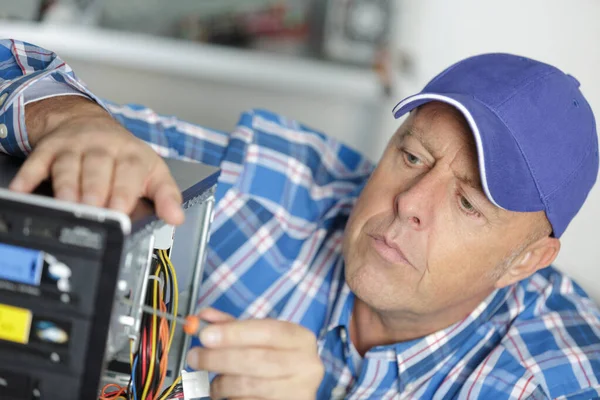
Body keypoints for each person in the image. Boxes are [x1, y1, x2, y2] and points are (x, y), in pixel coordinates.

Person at [1, 39, 599, 400]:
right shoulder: (278, 188)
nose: (410, 202)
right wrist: (72, 121)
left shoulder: (551, 379)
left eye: (468, 203)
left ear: (526, 260)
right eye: (411, 156)